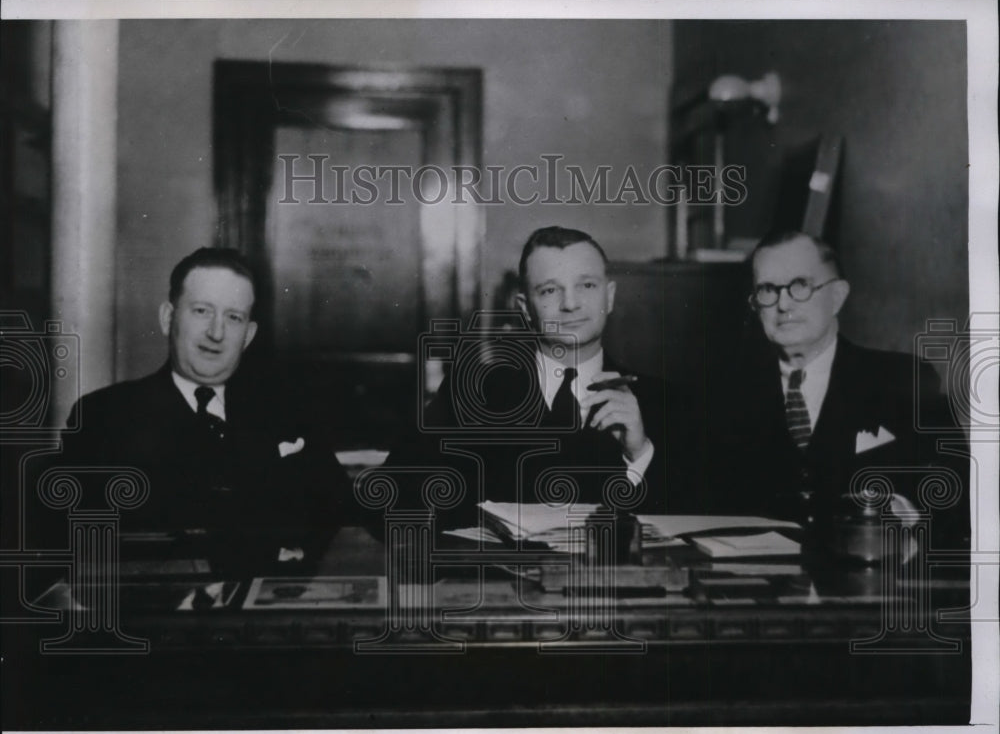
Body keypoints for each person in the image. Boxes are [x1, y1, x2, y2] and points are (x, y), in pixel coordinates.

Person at [374, 226, 701, 534]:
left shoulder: (665, 402)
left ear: (609, 297)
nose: (570, 304)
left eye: (586, 285)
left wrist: (640, 455)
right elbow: (387, 501)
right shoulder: (471, 396)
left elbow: (706, 521)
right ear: (525, 308)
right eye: (549, 290)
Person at [58, 248, 348, 570]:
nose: (217, 333)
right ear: (168, 319)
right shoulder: (103, 417)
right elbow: (91, 545)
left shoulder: (287, 411)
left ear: (248, 336)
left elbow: (339, 510)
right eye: (201, 311)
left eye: (233, 317)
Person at [709, 231, 968, 549]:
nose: (783, 303)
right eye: (767, 290)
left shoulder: (905, 380)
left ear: (837, 297)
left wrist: (899, 512)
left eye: (800, 285)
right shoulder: (725, 394)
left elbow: (956, 488)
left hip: (875, 577)